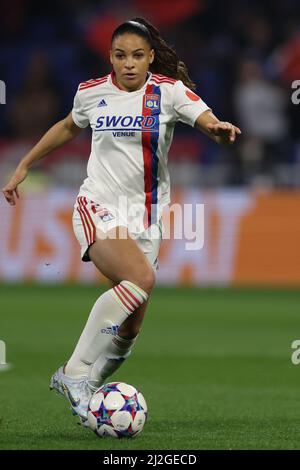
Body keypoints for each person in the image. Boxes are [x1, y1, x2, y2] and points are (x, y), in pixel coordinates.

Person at [2, 18, 241, 426]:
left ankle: (90, 395)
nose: (127, 64)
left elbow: (208, 121)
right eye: (119, 55)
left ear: (150, 57)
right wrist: (25, 162)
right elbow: (67, 126)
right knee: (142, 280)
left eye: (136, 55)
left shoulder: (168, 92)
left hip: (146, 221)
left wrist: (217, 131)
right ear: (110, 57)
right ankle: (74, 373)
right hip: (97, 204)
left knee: (129, 329)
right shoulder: (91, 93)